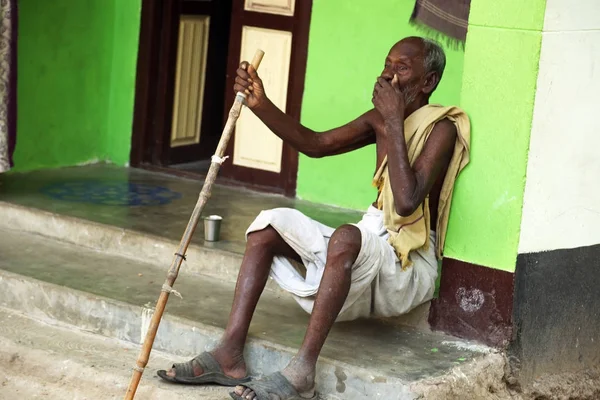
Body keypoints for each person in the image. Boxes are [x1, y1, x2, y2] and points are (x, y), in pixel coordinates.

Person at [158, 36, 470, 400]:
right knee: (268, 225)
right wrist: (261, 104)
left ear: (428, 82)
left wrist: (393, 121)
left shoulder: (441, 129)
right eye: (387, 64)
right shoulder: (379, 120)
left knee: (346, 236)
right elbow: (315, 144)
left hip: (407, 258)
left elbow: (406, 202)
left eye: (402, 68)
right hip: (371, 238)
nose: (388, 75)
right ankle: (229, 353)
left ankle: (302, 371)